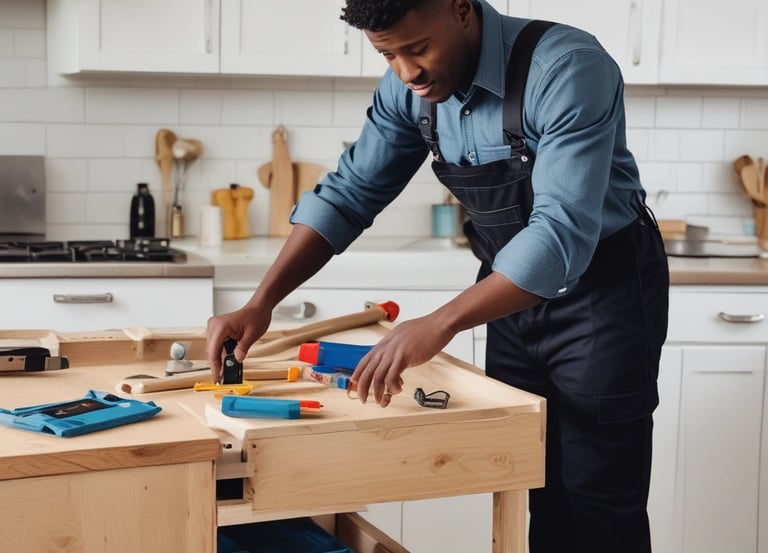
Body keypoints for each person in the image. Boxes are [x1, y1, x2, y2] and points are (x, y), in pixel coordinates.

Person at [205, 0, 670, 551]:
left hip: (603, 296)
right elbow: (352, 192)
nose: (407, 72)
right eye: (387, 54)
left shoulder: (567, 67)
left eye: (418, 48)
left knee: (598, 500)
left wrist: (441, 322)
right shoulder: (407, 88)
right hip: (510, 300)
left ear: (461, 10)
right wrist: (263, 300)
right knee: (536, 480)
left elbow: (560, 234)